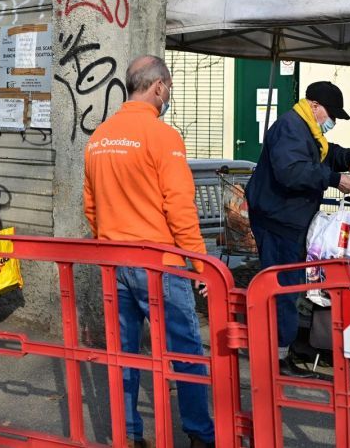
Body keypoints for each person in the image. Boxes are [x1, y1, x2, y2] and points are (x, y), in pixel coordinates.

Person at [83, 55, 215, 448]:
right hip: (160, 265)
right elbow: (180, 207)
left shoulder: (99, 137)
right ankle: (200, 434)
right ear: (159, 87)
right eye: (168, 88)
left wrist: (109, 239)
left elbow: (91, 206)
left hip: (114, 262)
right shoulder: (163, 136)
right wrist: (201, 263)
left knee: (124, 353)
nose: (168, 95)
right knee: (185, 351)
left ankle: (129, 434)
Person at [245, 81, 350, 378]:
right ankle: (277, 357)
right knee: (283, 288)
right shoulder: (290, 128)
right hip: (278, 221)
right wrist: (334, 179)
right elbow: (292, 171)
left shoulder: (305, 128)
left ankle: (282, 347)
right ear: (314, 105)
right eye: (331, 114)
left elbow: (324, 153)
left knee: (290, 285)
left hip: (288, 219)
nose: (332, 121)